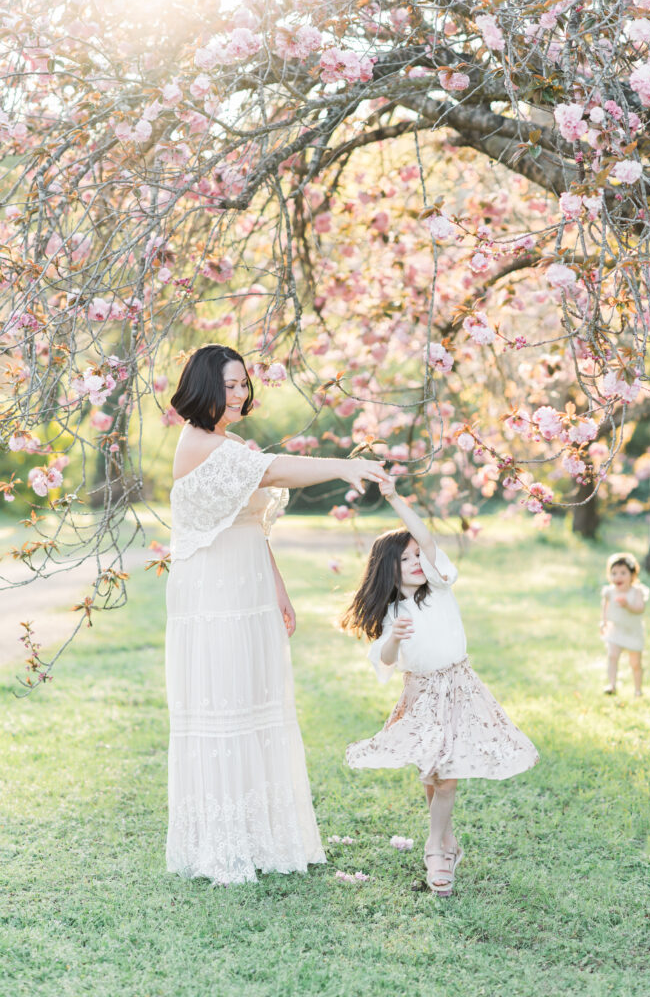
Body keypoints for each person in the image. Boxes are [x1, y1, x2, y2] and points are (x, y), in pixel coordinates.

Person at [165, 344, 389, 886]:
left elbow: (252, 527)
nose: (240, 393)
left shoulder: (231, 443)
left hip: (250, 585)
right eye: (230, 384)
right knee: (226, 702)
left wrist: (280, 591)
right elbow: (275, 470)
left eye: (244, 384)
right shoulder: (198, 445)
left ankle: (264, 833)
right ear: (204, 387)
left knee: (259, 699)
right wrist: (346, 465)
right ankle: (224, 844)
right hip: (212, 593)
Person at [342, 477, 539, 897]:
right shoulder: (394, 610)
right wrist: (394, 636)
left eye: (418, 555)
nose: (416, 561)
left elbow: (428, 541)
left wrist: (394, 498)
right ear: (388, 568)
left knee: (445, 777)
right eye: (406, 558)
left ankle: (436, 850)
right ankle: (447, 840)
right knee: (431, 777)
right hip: (421, 694)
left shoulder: (440, 586)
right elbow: (387, 659)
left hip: (460, 687)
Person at [600, 552, 649, 697]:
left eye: (623, 573)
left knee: (635, 664)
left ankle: (638, 690)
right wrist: (603, 622)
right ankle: (612, 684)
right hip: (615, 629)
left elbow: (640, 609)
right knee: (612, 656)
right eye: (614, 573)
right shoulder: (609, 592)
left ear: (632, 576)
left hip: (633, 632)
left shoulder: (637, 592)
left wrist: (628, 605)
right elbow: (605, 607)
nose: (618, 577)